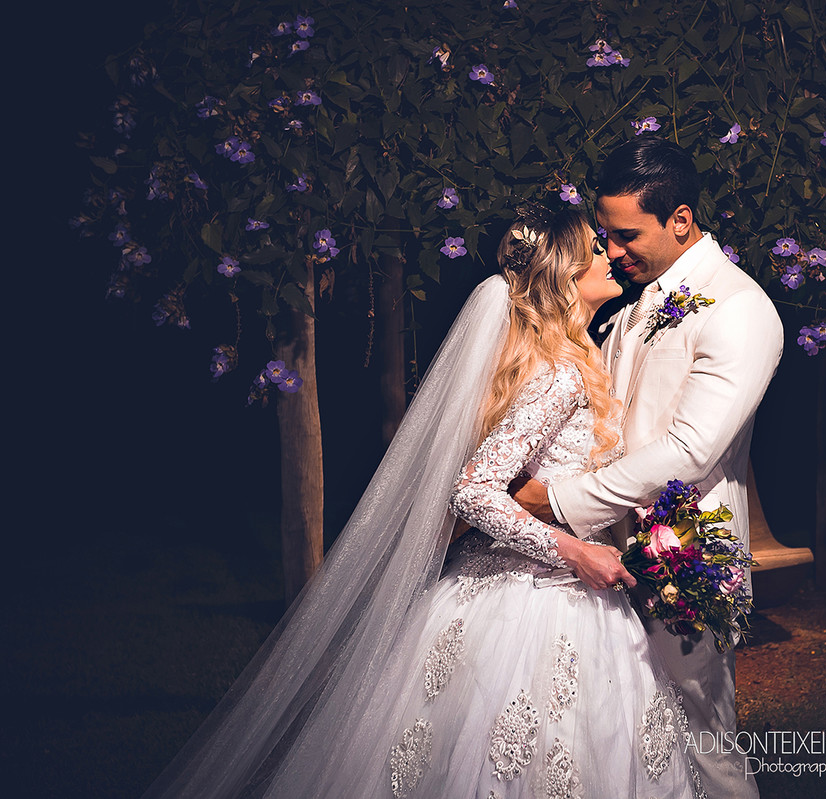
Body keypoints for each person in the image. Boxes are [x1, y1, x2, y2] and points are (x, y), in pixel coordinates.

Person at [142, 207, 702, 798]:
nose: (611, 254)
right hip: (533, 599)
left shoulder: (577, 357)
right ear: (564, 273)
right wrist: (575, 552)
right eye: (594, 247)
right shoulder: (559, 375)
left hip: (568, 589)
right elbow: (474, 489)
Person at [513, 137, 785, 799]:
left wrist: (558, 500)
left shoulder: (739, 308)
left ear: (681, 219)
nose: (611, 251)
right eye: (606, 234)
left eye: (626, 235)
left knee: (704, 739)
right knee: (629, 736)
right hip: (608, 557)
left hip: (683, 557)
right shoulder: (636, 302)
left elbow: (691, 450)